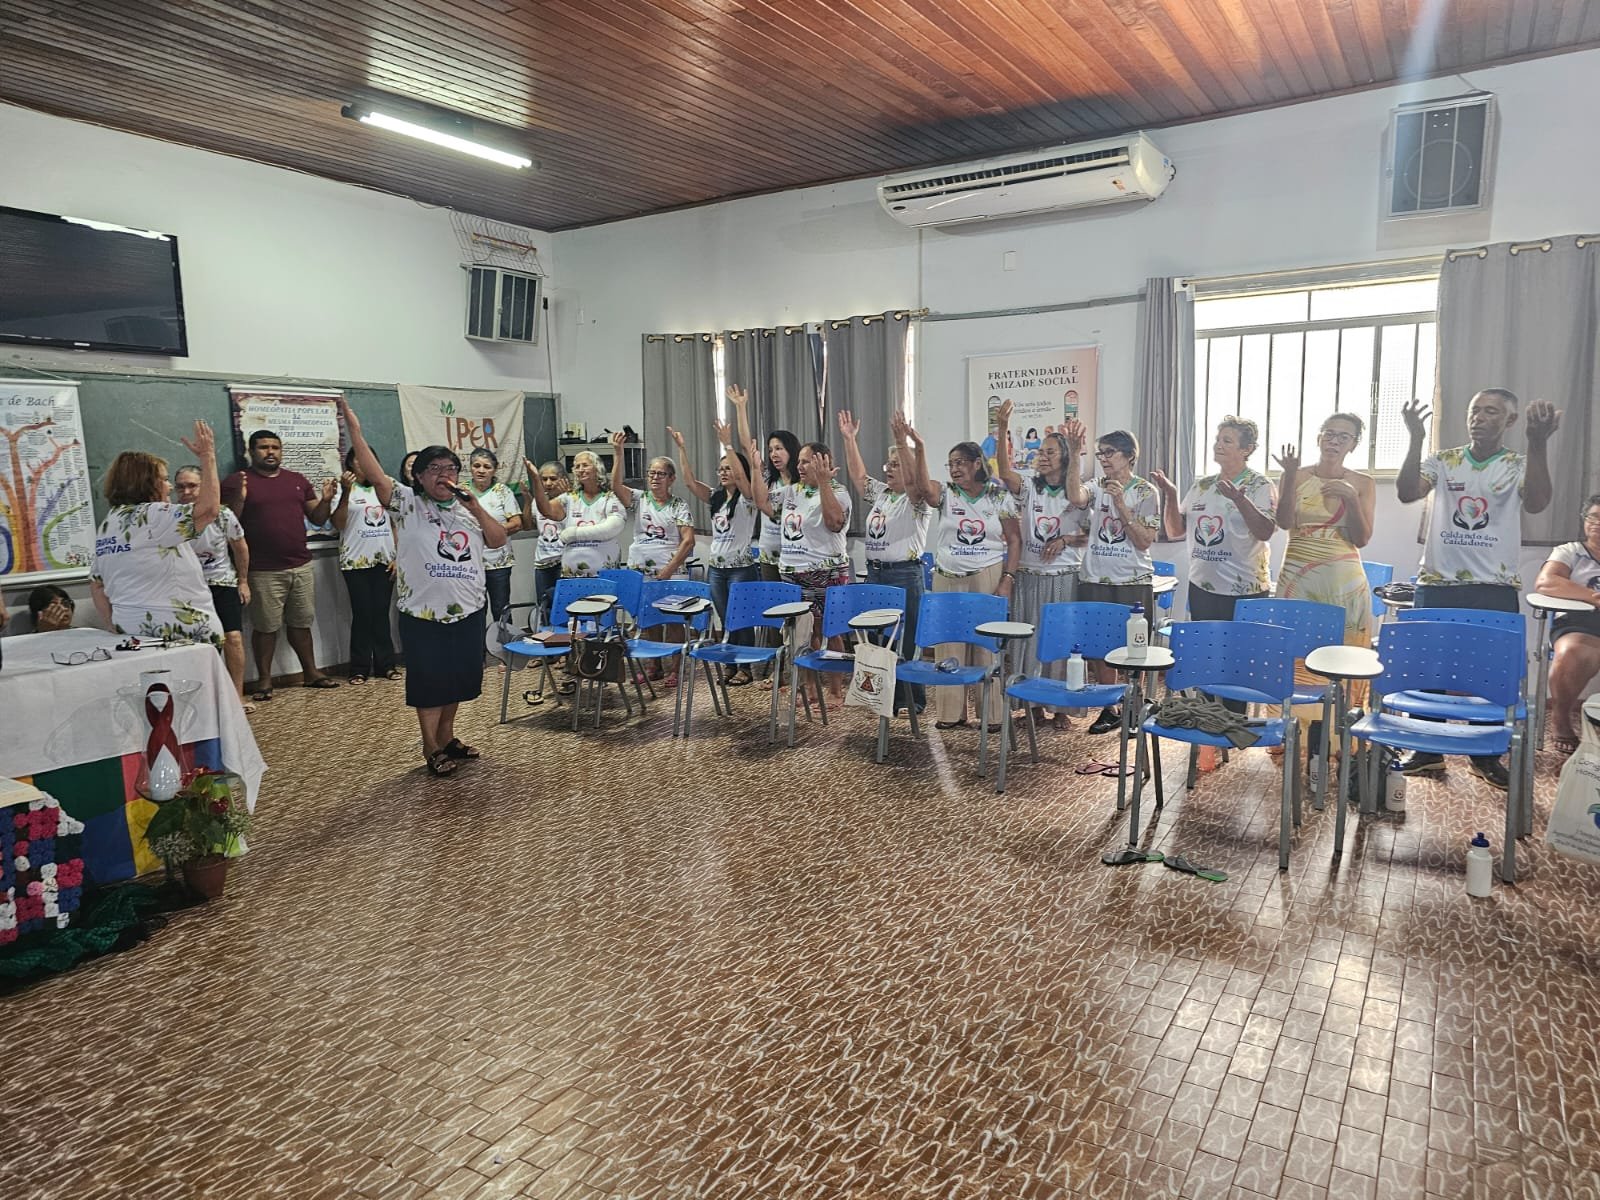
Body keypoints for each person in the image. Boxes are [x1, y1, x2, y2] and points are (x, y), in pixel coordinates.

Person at [1393, 389, 1559, 787]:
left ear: (1510, 421)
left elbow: (1537, 503)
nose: (1479, 418)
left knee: (1487, 673)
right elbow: (1407, 491)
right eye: (1475, 411)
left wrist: (1538, 443)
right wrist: (1416, 439)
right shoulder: (1444, 460)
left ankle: (1484, 754)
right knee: (1429, 668)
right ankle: (1427, 751)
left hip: (1493, 586)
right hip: (1437, 583)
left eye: (1491, 412)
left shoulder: (1517, 464)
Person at [338, 399, 507, 778]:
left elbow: (497, 540)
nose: (444, 475)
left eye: (451, 468)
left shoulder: (468, 509)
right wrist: (356, 432)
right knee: (430, 682)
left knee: (458, 680)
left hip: (468, 610)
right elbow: (374, 474)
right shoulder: (407, 502)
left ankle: (447, 736)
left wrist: (477, 508)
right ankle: (430, 745)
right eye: (435, 469)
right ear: (418, 476)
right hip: (423, 613)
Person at [906, 435, 1019, 731]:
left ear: (977, 464)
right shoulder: (946, 493)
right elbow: (924, 490)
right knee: (948, 645)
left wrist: (1008, 579)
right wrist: (919, 448)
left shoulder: (998, 495)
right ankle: (951, 712)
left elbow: (1015, 539)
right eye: (951, 464)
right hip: (947, 577)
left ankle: (991, 713)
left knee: (985, 646)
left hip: (987, 575)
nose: (955, 469)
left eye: (960, 463)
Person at [991, 403, 1088, 729]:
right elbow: (1006, 474)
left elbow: (1090, 534)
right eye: (1040, 452)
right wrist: (1002, 427)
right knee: (1027, 642)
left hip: (1064, 576)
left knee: (1062, 642)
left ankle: (1061, 707)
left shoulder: (1078, 491)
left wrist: (1066, 540)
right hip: (1030, 575)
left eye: (1050, 452)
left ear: (1066, 457)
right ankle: (1031, 705)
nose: (1042, 457)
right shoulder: (1030, 487)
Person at [222, 428, 338, 700]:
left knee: (302, 623)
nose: (270, 452)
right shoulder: (237, 481)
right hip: (262, 570)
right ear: (251, 451)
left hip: (300, 565)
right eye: (264, 447)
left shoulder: (296, 480)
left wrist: (326, 500)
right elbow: (226, 524)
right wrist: (239, 497)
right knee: (266, 628)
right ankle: (264, 680)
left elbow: (318, 518)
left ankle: (311, 673)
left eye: (275, 447)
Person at [1274, 412, 1376, 720]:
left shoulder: (1362, 483)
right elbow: (1284, 522)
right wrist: (1288, 476)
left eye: (1343, 437)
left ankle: (1339, 731)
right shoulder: (1297, 475)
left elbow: (1362, 539)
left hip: (1344, 582)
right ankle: (1292, 729)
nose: (1334, 441)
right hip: (1297, 577)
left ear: (1353, 445)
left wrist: (1351, 499)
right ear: (1319, 438)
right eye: (1329, 434)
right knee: (1294, 652)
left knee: (1342, 657)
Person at [90, 422, 224, 646]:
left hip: (131, 632)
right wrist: (207, 456)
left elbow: (96, 583)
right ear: (146, 483)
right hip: (178, 635)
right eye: (164, 479)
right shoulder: (152, 515)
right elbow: (209, 510)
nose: (169, 486)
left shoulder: (109, 522)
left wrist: (112, 624)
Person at [839, 408, 932, 715]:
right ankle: (884, 696)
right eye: (888, 464)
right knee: (880, 636)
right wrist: (849, 439)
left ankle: (912, 699)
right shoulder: (882, 494)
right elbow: (858, 477)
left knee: (907, 639)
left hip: (904, 574)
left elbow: (915, 484)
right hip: (876, 574)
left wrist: (902, 442)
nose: (890, 469)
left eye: (896, 464)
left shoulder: (916, 499)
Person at [1071, 428, 1161, 735]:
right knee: (1099, 648)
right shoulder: (1097, 485)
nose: (1104, 459)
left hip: (1132, 579)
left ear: (1130, 456)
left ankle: (1133, 707)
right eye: (1100, 453)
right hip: (1095, 577)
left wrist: (1121, 505)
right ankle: (1109, 707)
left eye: (1110, 452)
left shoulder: (1146, 491)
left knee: (1135, 648)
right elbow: (1075, 496)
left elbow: (1144, 541)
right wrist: (1075, 454)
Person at [1152, 415, 1278, 621]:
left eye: (1227, 441)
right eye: (1217, 439)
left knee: (1240, 642)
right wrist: (1171, 494)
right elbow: (1175, 532)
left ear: (1246, 449)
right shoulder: (1203, 485)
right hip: (1203, 586)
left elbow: (1265, 532)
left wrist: (1239, 500)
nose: (1218, 445)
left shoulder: (1261, 485)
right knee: (1204, 641)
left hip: (1245, 589)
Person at [750, 439, 853, 664]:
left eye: (805, 462)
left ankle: (834, 682)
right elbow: (762, 502)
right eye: (799, 462)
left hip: (825, 572)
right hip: (792, 573)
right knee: (801, 633)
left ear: (822, 463)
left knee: (827, 630)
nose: (799, 467)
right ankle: (809, 681)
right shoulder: (793, 491)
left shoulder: (838, 491)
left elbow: (834, 523)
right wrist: (755, 469)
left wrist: (824, 482)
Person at [672, 421, 759, 684]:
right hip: (717, 569)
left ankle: (746, 667)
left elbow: (743, 480)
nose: (723, 473)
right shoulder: (716, 497)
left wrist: (728, 444)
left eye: (728, 468)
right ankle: (731, 664)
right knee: (726, 618)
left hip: (741, 568)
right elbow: (689, 482)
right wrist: (682, 449)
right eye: (720, 469)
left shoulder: (748, 497)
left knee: (742, 618)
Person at [175, 464, 252, 710]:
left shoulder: (222, 514)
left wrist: (243, 581)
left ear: (205, 487)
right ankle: (202, 699)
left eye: (192, 486)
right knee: (197, 644)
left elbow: (240, 547)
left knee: (233, 638)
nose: (186, 492)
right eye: (180, 487)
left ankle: (237, 697)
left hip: (222, 582)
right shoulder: (172, 516)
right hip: (189, 588)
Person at [1536, 495, 1600, 756]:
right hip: (1578, 621)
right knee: (1573, 652)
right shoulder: (1570, 551)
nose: (1597, 523)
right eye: (1593, 517)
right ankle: (1561, 716)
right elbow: (1546, 583)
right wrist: (1594, 597)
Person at [330, 448, 400, 685]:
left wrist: (397, 557)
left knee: (381, 614)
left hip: (385, 561)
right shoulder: (343, 488)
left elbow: (396, 524)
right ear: (350, 464)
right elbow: (339, 524)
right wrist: (345, 492)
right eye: (358, 460)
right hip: (355, 562)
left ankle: (386, 665)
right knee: (362, 614)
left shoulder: (386, 485)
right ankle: (359, 668)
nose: (363, 464)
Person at [728, 384, 800, 583]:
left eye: (779, 448)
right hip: (769, 556)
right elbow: (747, 446)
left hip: (796, 555)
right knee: (774, 601)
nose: (774, 454)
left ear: (792, 450)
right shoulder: (767, 477)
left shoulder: (803, 481)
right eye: (770, 450)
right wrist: (741, 408)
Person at [527, 449, 626, 578]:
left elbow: (613, 527)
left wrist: (573, 533)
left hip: (604, 572)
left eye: (585, 465)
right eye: (577, 466)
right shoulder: (569, 498)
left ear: (597, 468)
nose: (580, 469)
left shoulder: (610, 498)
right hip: (572, 574)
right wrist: (536, 480)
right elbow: (547, 511)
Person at [611, 430, 694, 580]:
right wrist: (618, 453)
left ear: (672, 479)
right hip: (639, 569)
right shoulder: (639, 498)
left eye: (661, 474)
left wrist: (669, 570)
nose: (655, 477)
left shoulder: (679, 505)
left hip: (671, 571)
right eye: (651, 473)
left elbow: (688, 541)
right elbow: (616, 486)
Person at [464, 448, 522, 619]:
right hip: (468, 563)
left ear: (494, 470)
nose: (481, 470)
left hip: (498, 563)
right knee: (474, 610)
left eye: (487, 467)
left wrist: (492, 531)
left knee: (501, 608)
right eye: (477, 466)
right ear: (470, 468)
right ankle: (478, 638)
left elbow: (517, 523)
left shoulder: (503, 492)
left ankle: (505, 637)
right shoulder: (461, 491)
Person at [519, 459, 570, 615]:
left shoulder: (571, 500)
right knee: (544, 605)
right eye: (544, 479)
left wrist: (566, 495)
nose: (548, 483)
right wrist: (527, 500)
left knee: (565, 605)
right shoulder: (538, 501)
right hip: (542, 561)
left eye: (553, 479)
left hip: (564, 561)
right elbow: (527, 526)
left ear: (563, 479)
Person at [0, 585, 76, 636]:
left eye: (65, 603)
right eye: (53, 606)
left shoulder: (80, 634)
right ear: (39, 614)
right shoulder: (28, 642)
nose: (63, 609)